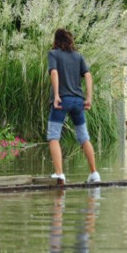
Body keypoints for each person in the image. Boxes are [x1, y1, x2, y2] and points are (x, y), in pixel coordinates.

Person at [47, 28, 100, 184]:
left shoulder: (54, 54)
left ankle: (59, 174)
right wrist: (89, 97)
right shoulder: (78, 56)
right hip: (78, 101)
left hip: (62, 101)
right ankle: (94, 173)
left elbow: (54, 73)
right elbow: (88, 75)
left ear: (56, 40)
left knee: (53, 136)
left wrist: (56, 95)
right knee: (83, 137)